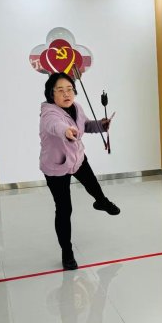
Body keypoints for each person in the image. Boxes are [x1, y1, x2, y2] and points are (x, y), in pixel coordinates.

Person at [40, 72, 120, 270]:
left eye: (69, 89)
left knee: (93, 185)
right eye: (60, 90)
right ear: (51, 94)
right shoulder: (49, 113)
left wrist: (101, 125)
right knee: (64, 209)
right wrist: (66, 131)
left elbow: (85, 126)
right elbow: (55, 126)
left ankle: (101, 202)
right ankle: (67, 252)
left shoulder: (77, 107)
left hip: (77, 158)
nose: (66, 94)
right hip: (57, 166)